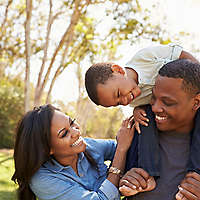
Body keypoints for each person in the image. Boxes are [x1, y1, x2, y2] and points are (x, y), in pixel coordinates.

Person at [11, 104, 135, 200]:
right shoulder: (43, 180)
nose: (76, 132)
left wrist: (137, 114)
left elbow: (128, 146)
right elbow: (122, 148)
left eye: (72, 123)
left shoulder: (88, 147)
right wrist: (121, 151)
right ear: (47, 149)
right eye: (64, 133)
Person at [119, 59, 200, 200]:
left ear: (196, 102)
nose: (155, 108)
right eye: (153, 98)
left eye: (168, 102)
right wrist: (126, 180)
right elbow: (110, 182)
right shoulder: (136, 130)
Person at [85, 43, 199, 132]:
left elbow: (180, 54)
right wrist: (137, 110)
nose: (124, 102)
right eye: (118, 103)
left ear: (118, 70)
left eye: (118, 94)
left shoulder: (144, 58)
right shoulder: (134, 101)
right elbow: (151, 104)